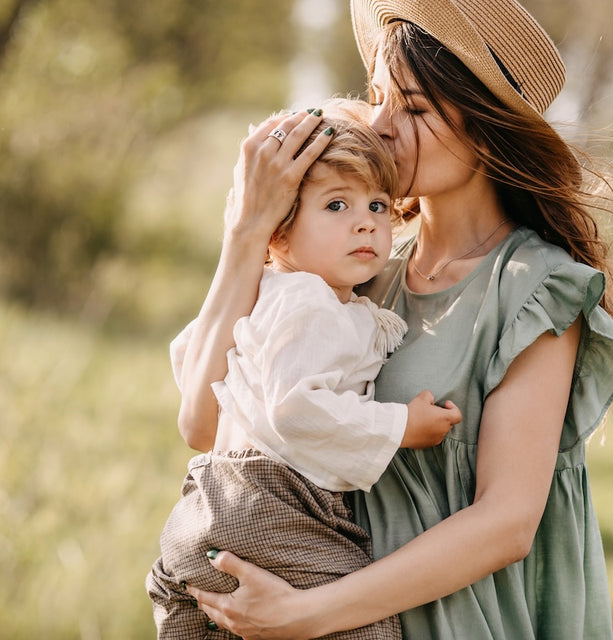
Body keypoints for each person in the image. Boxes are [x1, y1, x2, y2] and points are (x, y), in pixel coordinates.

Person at [177, 0, 613, 637]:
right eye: (377, 96)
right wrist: (246, 232)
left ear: (487, 130)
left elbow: (507, 522)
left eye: (414, 108)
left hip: (459, 621)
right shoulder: (353, 268)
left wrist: (304, 614)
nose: (378, 125)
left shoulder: (534, 288)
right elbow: (201, 422)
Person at [147, 99, 462, 639]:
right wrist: (399, 427)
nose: (364, 222)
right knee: (366, 626)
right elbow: (295, 409)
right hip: (274, 504)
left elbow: (192, 357)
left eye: (378, 206)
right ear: (281, 234)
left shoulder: (270, 292)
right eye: (337, 206)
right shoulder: (311, 304)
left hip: (205, 508)